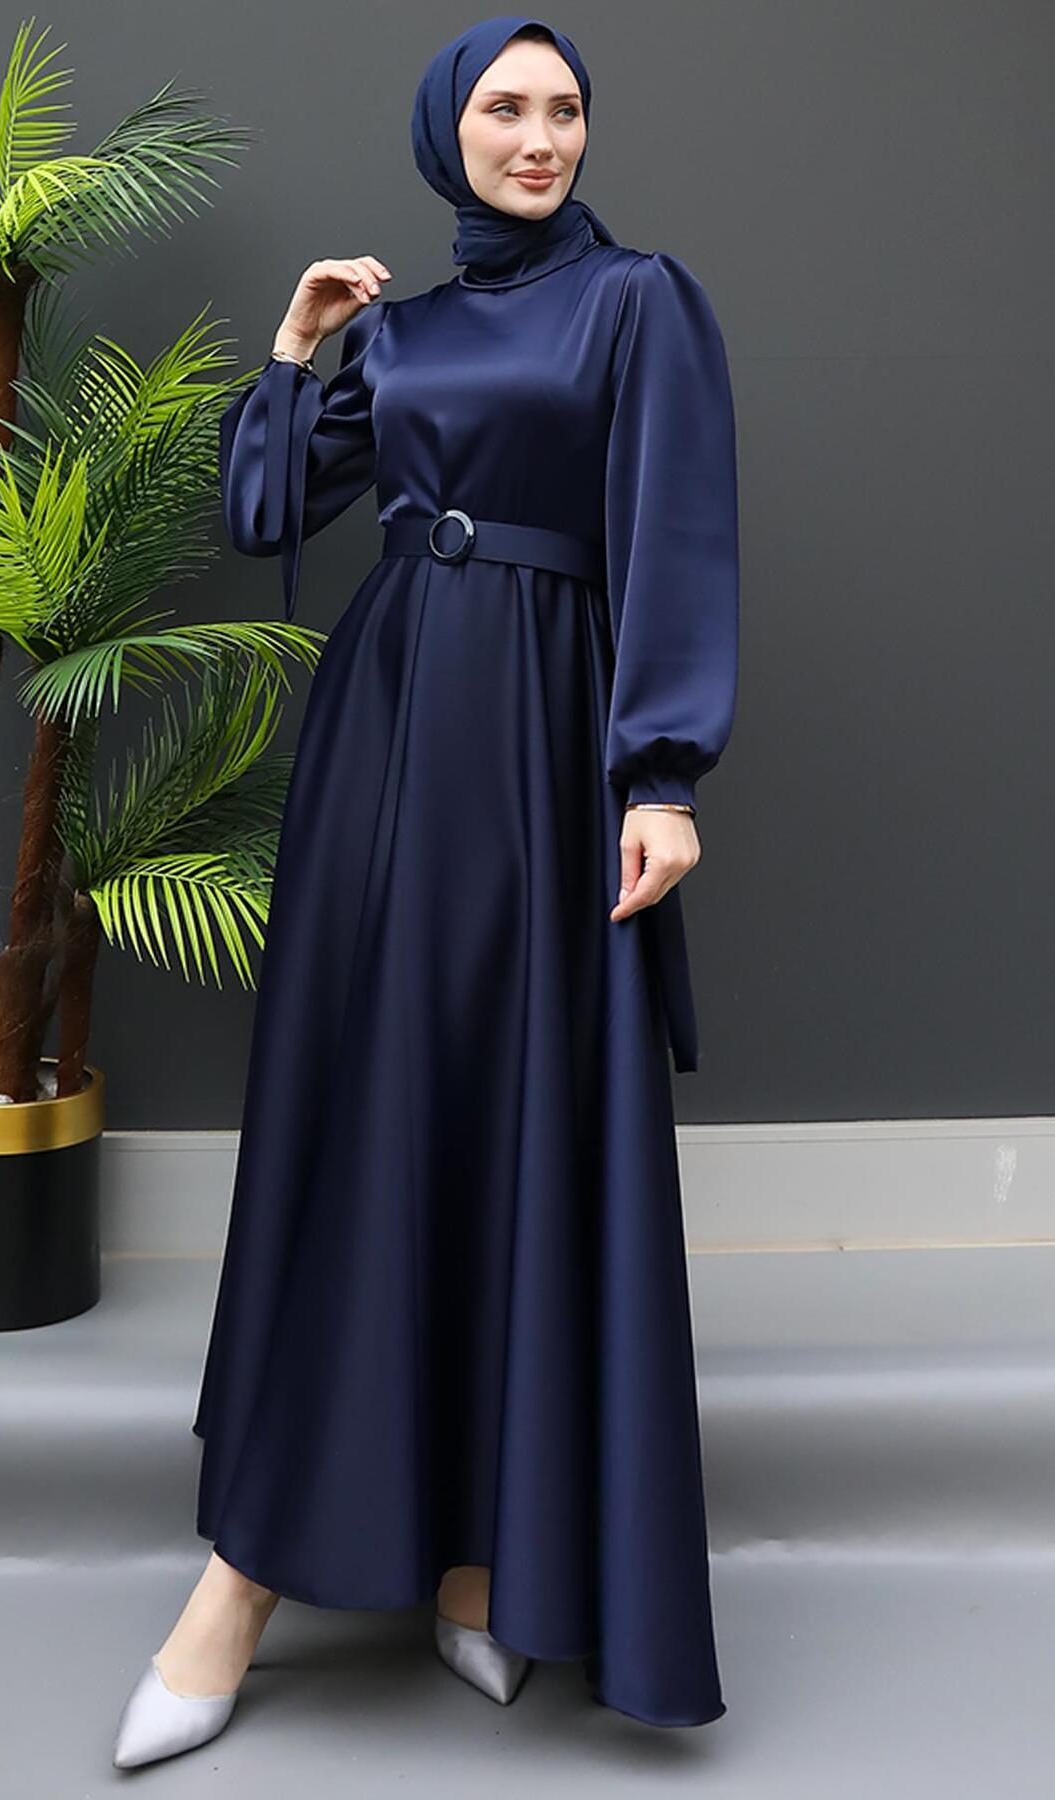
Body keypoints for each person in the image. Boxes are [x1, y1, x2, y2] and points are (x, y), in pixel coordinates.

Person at [113, 13, 739, 1769]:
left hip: (541, 745)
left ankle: (483, 1556)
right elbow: (264, 510)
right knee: (371, 1109)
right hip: (383, 737)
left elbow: (678, 529)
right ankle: (249, 1581)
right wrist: (297, 345)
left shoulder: (638, 303)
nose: (539, 137)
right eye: (503, 108)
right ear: (445, 130)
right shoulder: (398, 330)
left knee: (506, 1111)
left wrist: (661, 773)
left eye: (564, 109)